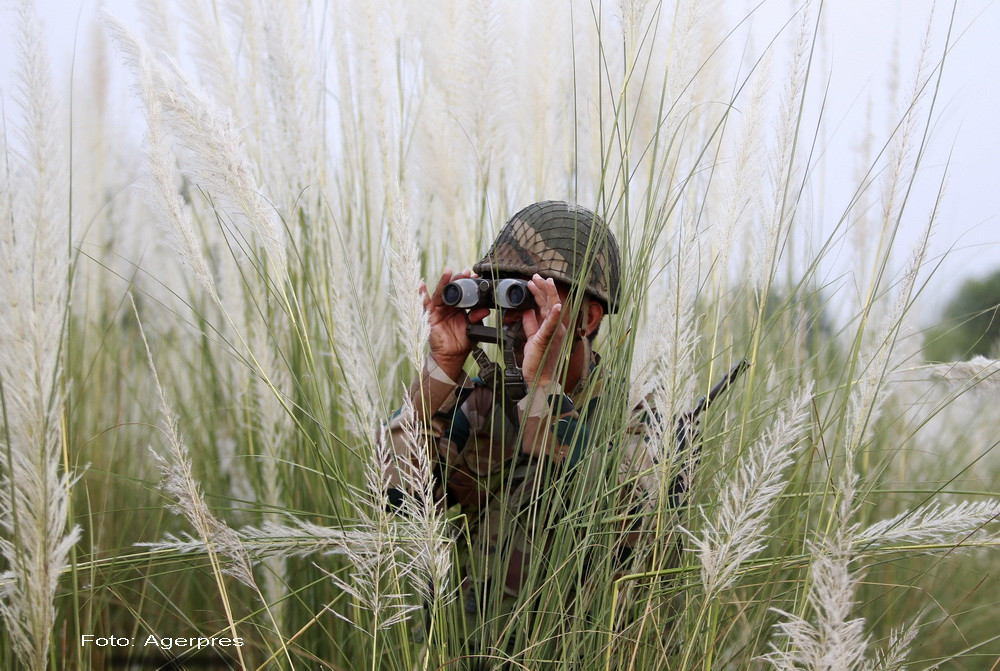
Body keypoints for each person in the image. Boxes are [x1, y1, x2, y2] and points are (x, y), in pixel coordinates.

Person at [385, 201, 661, 620]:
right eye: (502, 290)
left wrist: (542, 389)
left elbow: (615, 525)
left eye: (530, 294)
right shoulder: (484, 404)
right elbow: (395, 497)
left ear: (587, 318)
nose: (511, 314)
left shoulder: (636, 425)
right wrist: (440, 370)